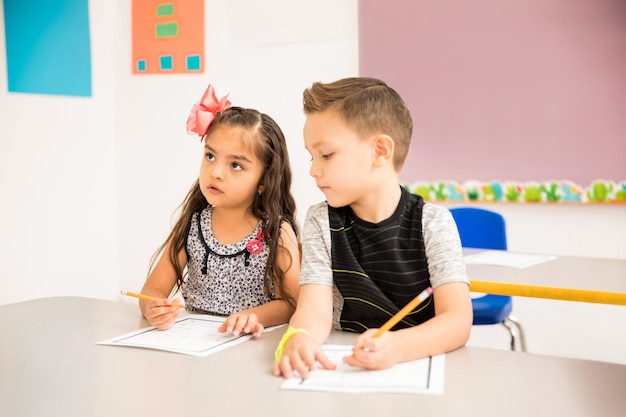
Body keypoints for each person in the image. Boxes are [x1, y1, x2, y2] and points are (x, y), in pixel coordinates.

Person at [273, 77, 472, 378]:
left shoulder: (433, 223)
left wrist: (397, 347)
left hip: (416, 366)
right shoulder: (320, 220)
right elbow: (313, 310)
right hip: (343, 366)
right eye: (311, 156)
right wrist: (299, 337)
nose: (313, 169)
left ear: (380, 151)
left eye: (326, 154)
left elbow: (457, 321)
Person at [139, 84, 301, 338]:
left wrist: (253, 317)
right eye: (210, 157)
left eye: (236, 165)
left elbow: (292, 304)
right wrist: (152, 306)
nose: (215, 172)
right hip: (193, 344)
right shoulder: (192, 225)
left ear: (264, 180)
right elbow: (152, 289)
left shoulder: (276, 232)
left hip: (249, 343)